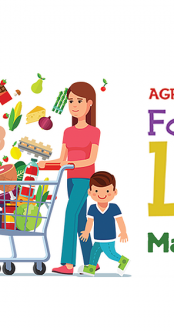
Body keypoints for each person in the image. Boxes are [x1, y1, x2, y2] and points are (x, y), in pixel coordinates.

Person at [38, 82, 100, 275]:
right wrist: (46, 165)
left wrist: (70, 164)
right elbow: (62, 159)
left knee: (70, 214)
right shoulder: (68, 131)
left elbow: (91, 159)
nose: (73, 105)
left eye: (79, 101)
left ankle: (68, 264)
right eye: (70, 101)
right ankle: (92, 262)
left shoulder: (94, 132)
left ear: (89, 103)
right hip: (70, 179)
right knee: (80, 219)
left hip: (85, 180)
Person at [80, 171, 130, 276]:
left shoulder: (114, 208)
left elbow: (120, 221)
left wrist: (124, 232)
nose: (102, 195)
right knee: (94, 253)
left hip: (109, 238)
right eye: (96, 191)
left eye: (107, 191)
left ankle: (123, 260)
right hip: (98, 237)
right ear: (89, 192)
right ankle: (91, 269)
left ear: (114, 192)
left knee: (111, 254)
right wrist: (86, 232)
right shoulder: (92, 208)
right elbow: (90, 222)